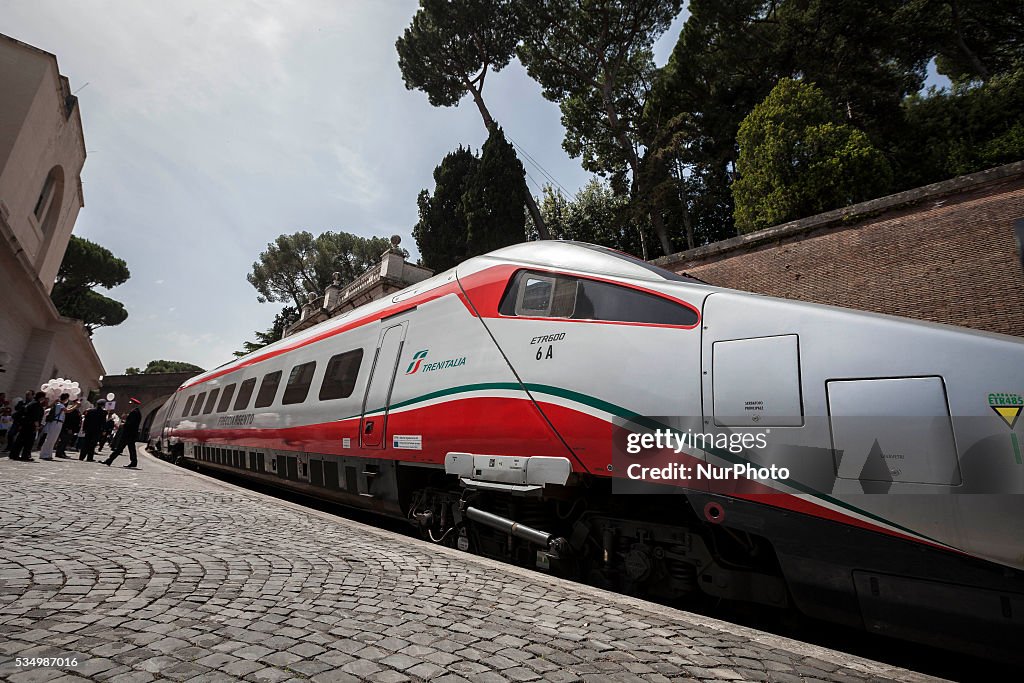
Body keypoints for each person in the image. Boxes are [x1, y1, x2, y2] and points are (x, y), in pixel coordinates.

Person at [104, 398, 142, 468]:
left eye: (131, 403)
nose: (130, 404)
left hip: (128, 434)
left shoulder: (134, 412)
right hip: (130, 434)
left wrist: (124, 424)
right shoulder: (136, 412)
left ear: (134, 404)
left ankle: (109, 460)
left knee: (120, 448)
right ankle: (133, 462)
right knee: (130, 449)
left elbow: (131, 423)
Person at [10, 392, 45, 461]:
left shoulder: (31, 403)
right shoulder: (36, 405)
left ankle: (14, 454)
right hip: (30, 426)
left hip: (25, 424)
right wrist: (37, 426)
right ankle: (25, 456)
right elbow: (35, 417)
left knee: (20, 440)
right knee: (29, 442)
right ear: (41, 398)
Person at [39, 393, 69, 461]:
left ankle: (48, 453)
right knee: (50, 438)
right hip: (56, 422)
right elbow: (67, 411)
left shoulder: (60, 405)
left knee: (53, 439)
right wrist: (76, 405)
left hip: (58, 422)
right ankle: (44, 454)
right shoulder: (59, 405)